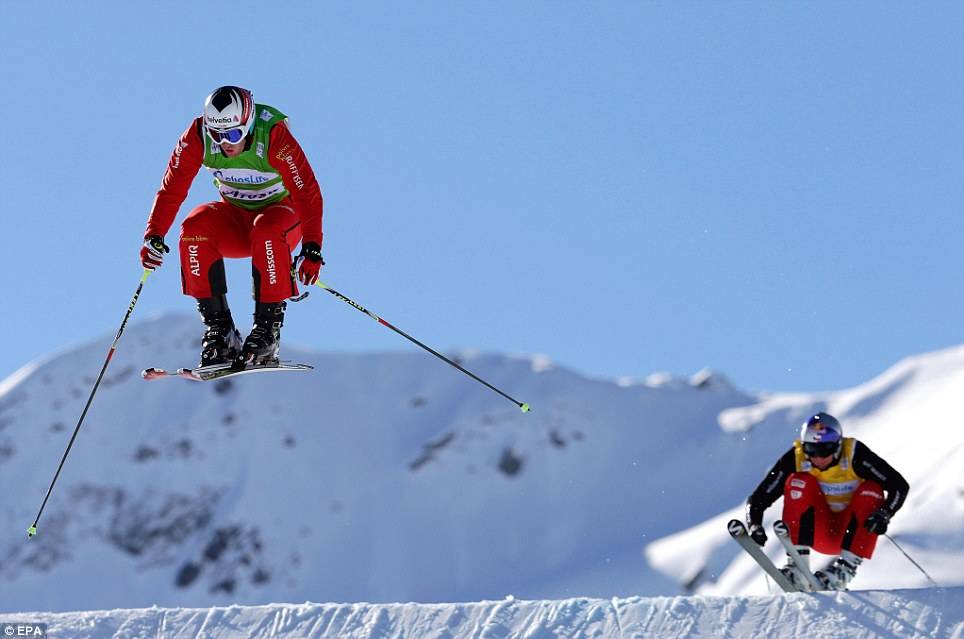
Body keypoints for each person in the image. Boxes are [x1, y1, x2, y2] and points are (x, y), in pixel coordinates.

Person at [140, 85, 324, 367]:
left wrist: (312, 246)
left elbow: (307, 192)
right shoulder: (198, 136)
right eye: (218, 135)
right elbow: (172, 187)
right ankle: (221, 332)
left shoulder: (272, 134)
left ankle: (267, 333)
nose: (225, 143)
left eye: (234, 134)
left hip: (284, 215)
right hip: (238, 219)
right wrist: (154, 235)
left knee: (267, 230)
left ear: (248, 124)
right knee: (194, 229)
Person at [744, 412, 909, 591]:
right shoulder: (797, 457)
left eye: (825, 450)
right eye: (811, 450)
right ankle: (798, 568)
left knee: (873, 489)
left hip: (852, 533)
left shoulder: (854, 454)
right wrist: (754, 525)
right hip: (818, 532)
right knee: (798, 482)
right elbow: (758, 498)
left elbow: (899, 486)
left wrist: (884, 513)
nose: (818, 458)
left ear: (838, 446)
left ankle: (843, 571)